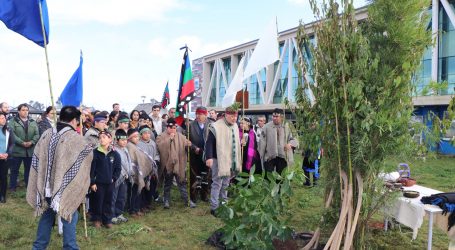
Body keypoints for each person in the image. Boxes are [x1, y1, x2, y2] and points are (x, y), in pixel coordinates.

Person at [27, 106, 94, 249]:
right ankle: (70, 247)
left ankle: (38, 247)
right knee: (70, 214)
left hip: (46, 187)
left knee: (47, 216)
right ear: (75, 120)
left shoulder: (46, 134)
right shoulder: (74, 138)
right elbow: (88, 153)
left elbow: (37, 158)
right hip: (64, 188)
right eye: (78, 121)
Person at [205, 105, 241, 215]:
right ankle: (214, 207)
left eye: (236, 116)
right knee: (217, 183)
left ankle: (224, 204)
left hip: (230, 158)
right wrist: (209, 157)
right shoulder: (215, 126)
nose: (234, 119)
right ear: (226, 115)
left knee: (226, 183)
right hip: (217, 158)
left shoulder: (235, 126)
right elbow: (209, 142)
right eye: (232, 116)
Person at [156, 118, 194, 209]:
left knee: (182, 183)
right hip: (167, 165)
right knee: (167, 184)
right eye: (171, 127)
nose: (173, 129)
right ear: (167, 127)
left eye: (175, 127)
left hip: (179, 164)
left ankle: (187, 200)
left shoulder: (180, 136)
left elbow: (186, 143)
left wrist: (188, 144)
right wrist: (169, 139)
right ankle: (166, 201)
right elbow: (160, 147)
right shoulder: (160, 136)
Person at [89, 130, 121, 229]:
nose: (101, 139)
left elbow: (118, 168)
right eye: (100, 137)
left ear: (110, 139)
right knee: (97, 201)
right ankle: (97, 219)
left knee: (108, 201)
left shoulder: (114, 154)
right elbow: (91, 169)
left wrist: (114, 178)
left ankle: (107, 219)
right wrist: (92, 182)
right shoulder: (95, 152)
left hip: (109, 183)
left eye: (104, 137)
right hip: (98, 183)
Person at [9, 103, 40, 190]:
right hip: (17, 150)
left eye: (27, 110)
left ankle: (28, 186)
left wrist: (32, 142)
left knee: (29, 170)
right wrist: (21, 142)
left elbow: (37, 134)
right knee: (14, 170)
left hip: (29, 150)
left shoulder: (32, 122)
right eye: (23, 110)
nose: (25, 112)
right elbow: (12, 134)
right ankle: (12, 187)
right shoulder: (13, 121)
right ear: (18, 111)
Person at [259, 108, 298, 176]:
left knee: (281, 177)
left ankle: (280, 186)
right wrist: (261, 155)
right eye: (273, 116)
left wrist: (290, 144)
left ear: (282, 117)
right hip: (270, 156)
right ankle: (269, 187)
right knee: (268, 176)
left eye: (276, 116)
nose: (274, 118)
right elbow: (262, 141)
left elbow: (295, 138)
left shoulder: (288, 126)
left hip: (283, 155)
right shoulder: (266, 127)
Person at [188, 107, 211, 203]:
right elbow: (187, 140)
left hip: (207, 153)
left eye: (200, 114)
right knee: (194, 175)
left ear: (205, 115)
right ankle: (194, 195)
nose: (198, 116)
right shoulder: (190, 125)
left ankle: (204, 194)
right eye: (197, 114)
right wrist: (194, 148)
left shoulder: (211, 124)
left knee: (206, 175)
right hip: (195, 153)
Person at [111, 129, 131, 224]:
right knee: (113, 197)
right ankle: (112, 215)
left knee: (122, 197)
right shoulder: (113, 150)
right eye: (122, 140)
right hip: (116, 177)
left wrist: (129, 172)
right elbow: (116, 165)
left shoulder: (126, 149)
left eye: (126, 140)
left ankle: (119, 213)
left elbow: (128, 162)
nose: (124, 142)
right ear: (117, 140)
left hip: (125, 177)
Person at [0, 112, 14, 203]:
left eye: (4, 118)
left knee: (3, 177)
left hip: (5, 158)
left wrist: (8, 154)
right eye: (1, 118)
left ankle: (3, 196)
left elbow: (12, 143)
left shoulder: (9, 129)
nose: (4, 119)